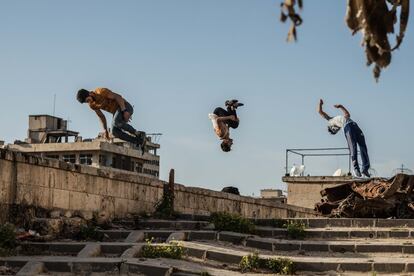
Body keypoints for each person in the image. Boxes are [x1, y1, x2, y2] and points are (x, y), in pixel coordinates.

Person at [76, 88, 146, 152]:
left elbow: (118, 97)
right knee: (114, 132)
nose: (89, 102)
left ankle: (138, 134)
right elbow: (101, 116)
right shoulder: (92, 105)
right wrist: (105, 130)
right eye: (86, 102)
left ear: (90, 94)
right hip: (117, 113)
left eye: (88, 100)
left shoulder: (101, 92)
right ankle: (140, 141)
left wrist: (124, 111)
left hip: (125, 106)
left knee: (116, 122)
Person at [317, 99, 370, 177]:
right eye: (335, 131)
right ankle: (356, 168)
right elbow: (347, 115)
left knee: (363, 147)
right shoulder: (337, 122)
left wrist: (321, 104)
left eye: (334, 130)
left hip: (354, 125)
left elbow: (320, 112)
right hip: (347, 127)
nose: (336, 129)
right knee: (353, 147)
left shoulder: (330, 120)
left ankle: (365, 168)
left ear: (330, 127)